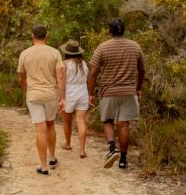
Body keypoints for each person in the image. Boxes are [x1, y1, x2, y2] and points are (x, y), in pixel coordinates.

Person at [88, 18, 145, 169]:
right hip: (128, 91)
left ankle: (112, 148)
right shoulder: (135, 46)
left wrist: (91, 93)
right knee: (124, 124)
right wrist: (138, 88)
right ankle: (123, 160)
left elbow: (93, 73)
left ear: (110, 30)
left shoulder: (102, 48)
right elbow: (142, 70)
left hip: (108, 91)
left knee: (107, 120)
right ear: (124, 30)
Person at [17, 24, 65, 176]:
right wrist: (62, 98)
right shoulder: (55, 53)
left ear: (32, 36)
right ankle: (52, 158)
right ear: (46, 37)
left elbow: (21, 77)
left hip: (34, 95)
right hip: (51, 95)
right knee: (50, 125)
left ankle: (43, 167)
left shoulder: (24, 54)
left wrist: (27, 91)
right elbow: (61, 76)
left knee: (40, 129)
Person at [59, 39, 90, 159]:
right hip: (82, 92)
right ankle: (82, 150)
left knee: (67, 121)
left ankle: (67, 143)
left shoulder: (64, 64)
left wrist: (61, 97)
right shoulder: (84, 64)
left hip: (69, 92)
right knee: (81, 121)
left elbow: (62, 82)